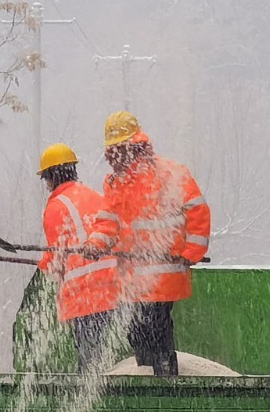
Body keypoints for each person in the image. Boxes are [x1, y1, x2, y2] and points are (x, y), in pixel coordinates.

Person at [87, 112, 210, 376]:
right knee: (136, 331)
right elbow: (108, 221)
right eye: (112, 150)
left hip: (162, 274)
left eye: (119, 149)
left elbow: (197, 210)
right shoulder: (115, 183)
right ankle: (149, 376)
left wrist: (192, 252)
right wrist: (96, 243)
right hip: (131, 278)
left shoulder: (170, 174)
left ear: (134, 145)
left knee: (157, 327)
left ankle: (166, 380)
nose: (115, 156)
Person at [36, 142, 118, 371]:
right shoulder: (94, 196)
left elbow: (56, 256)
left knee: (90, 366)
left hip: (86, 294)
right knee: (110, 361)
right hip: (115, 290)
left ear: (51, 177)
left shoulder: (55, 206)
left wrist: (44, 264)